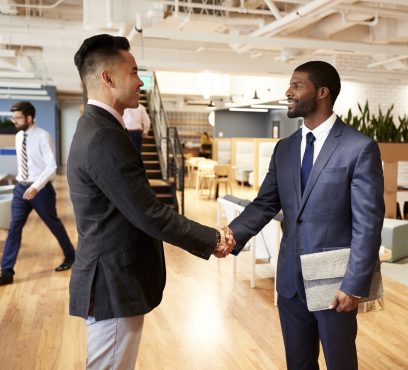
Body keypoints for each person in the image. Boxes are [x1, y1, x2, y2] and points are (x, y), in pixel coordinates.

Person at [70, 34, 234, 369]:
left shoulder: (98, 127)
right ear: (108, 77)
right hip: (113, 279)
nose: (140, 81)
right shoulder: (103, 135)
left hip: (112, 275)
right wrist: (212, 238)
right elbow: (149, 213)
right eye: (133, 72)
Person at [224, 61, 385, 370]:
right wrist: (230, 235)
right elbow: (264, 204)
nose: (288, 91)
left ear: (322, 92)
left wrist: (353, 284)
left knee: (340, 364)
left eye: (297, 85)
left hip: (335, 283)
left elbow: (368, 223)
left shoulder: (359, 148)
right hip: (289, 281)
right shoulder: (284, 148)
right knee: (298, 364)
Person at [0, 101, 76, 286]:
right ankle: (7, 272)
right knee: (14, 227)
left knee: (53, 224)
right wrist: (24, 185)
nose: (14, 121)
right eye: (13, 117)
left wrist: (36, 186)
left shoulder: (43, 136)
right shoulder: (19, 136)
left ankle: (71, 256)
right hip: (21, 188)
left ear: (29, 117)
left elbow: (52, 166)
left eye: (17, 118)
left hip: (40, 190)